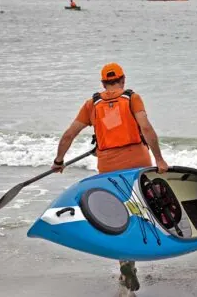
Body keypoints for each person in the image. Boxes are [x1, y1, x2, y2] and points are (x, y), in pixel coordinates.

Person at [51, 62, 169, 295]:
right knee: (142, 209)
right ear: (123, 80)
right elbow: (145, 127)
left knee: (118, 214)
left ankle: (125, 261)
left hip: (108, 166)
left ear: (103, 83)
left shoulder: (92, 104)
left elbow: (69, 134)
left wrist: (58, 160)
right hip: (137, 162)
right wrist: (159, 159)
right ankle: (142, 252)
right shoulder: (132, 98)